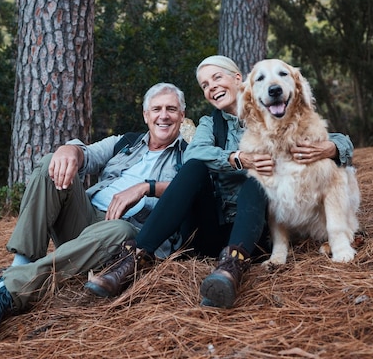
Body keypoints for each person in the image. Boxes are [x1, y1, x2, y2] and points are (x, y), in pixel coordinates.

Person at [84, 55, 354, 308]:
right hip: (209, 226)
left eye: (216, 78)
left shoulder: (270, 112)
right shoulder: (209, 124)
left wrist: (331, 148)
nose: (211, 87)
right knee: (195, 167)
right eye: (205, 85)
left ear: (239, 79)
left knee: (256, 180)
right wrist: (239, 158)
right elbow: (195, 152)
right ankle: (131, 260)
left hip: (253, 230)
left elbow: (325, 133)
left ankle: (230, 270)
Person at [0, 83, 188, 338]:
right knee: (51, 162)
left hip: (126, 239)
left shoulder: (188, 155)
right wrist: (70, 150)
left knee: (120, 228)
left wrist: (146, 187)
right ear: (146, 115)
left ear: (182, 115)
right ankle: (20, 263)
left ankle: (8, 289)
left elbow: (193, 191)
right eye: (156, 109)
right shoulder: (126, 143)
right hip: (85, 219)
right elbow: (87, 154)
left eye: (171, 109)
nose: (164, 115)